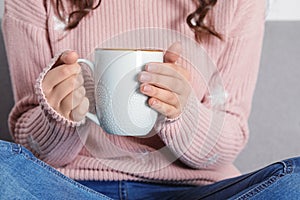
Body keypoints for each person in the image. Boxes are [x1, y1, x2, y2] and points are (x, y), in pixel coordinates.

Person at [1, 0, 300, 199]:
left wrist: (184, 114)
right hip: (68, 188)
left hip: (194, 192)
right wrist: (59, 118)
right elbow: (30, 145)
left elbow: (229, 140)